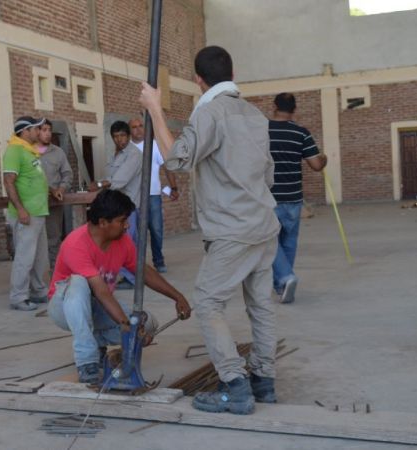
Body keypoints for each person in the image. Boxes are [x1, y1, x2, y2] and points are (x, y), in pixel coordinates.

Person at [140, 46, 280, 415]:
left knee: (207, 302)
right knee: (261, 305)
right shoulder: (254, 114)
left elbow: (177, 159)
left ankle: (235, 385)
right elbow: (268, 174)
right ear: (231, 73)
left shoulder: (210, 112)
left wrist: (155, 108)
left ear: (198, 80)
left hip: (232, 230)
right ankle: (263, 381)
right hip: (264, 225)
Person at [47, 189, 192, 383]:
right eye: (122, 220)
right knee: (79, 283)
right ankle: (87, 361)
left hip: (96, 307)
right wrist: (126, 325)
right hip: (64, 308)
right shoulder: (76, 243)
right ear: (103, 222)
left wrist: (177, 296)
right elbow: (101, 291)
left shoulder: (122, 241)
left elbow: (144, 271)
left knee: (147, 324)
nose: (127, 225)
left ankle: (97, 343)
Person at [268, 93, 327, 304]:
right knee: (288, 243)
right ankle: (282, 285)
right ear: (294, 109)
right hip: (293, 199)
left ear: (274, 106)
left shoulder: (262, 131)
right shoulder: (301, 133)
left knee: (269, 242)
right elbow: (316, 165)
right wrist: (324, 158)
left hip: (268, 199)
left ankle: (285, 278)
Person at [3, 116, 50, 311]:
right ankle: (18, 297)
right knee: (24, 257)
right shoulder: (14, 150)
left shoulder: (28, 151)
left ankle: (38, 291)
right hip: (27, 214)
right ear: (25, 131)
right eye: (36, 129)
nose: (39, 132)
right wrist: (21, 209)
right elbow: (9, 181)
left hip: (38, 212)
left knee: (39, 257)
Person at [88, 121, 142, 289]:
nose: (120, 140)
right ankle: (131, 276)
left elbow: (120, 179)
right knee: (127, 241)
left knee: (127, 241)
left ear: (129, 136)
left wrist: (98, 185)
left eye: (123, 136)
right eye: (116, 136)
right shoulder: (116, 154)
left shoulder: (134, 154)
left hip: (129, 204)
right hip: (117, 204)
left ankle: (132, 279)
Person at [128, 117, 179, 273]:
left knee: (156, 229)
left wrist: (174, 187)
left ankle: (159, 261)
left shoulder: (154, 146)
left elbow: (167, 167)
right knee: (133, 232)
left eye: (140, 126)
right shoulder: (127, 148)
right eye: (134, 127)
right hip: (132, 197)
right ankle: (137, 265)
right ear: (129, 130)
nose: (138, 129)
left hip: (153, 195)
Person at [36, 119, 73, 268]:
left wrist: (61, 189)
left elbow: (67, 174)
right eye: (44, 130)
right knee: (36, 241)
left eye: (49, 130)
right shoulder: (28, 152)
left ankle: (56, 275)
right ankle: (37, 280)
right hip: (34, 204)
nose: (47, 134)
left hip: (54, 203)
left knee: (54, 239)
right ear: (36, 132)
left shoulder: (58, 152)